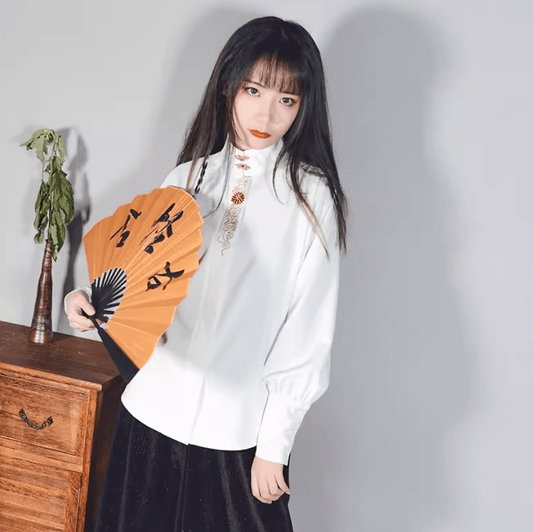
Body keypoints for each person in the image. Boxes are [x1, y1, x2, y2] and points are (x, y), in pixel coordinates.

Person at [66, 15, 348, 532]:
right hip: (150, 415)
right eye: (253, 90)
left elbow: (306, 333)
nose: (266, 113)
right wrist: (87, 299)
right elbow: (141, 277)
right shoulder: (187, 178)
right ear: (228, 86)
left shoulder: (311, 199)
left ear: (303, 107)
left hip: (236, 432)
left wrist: (275, 445)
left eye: (286, 99)